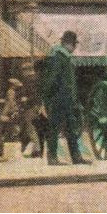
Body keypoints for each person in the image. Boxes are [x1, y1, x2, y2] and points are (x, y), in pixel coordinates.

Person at [40, 31, 88, 165]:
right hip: (58, 99)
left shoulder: (64, 57)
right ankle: (52, 158)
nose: (75, 48)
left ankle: (76, 157)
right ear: (69, 44)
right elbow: (52, 79)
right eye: (74, 44)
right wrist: (47, 98)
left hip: (67, 100)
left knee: (71, 129)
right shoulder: (58, 57)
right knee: (54, 129)